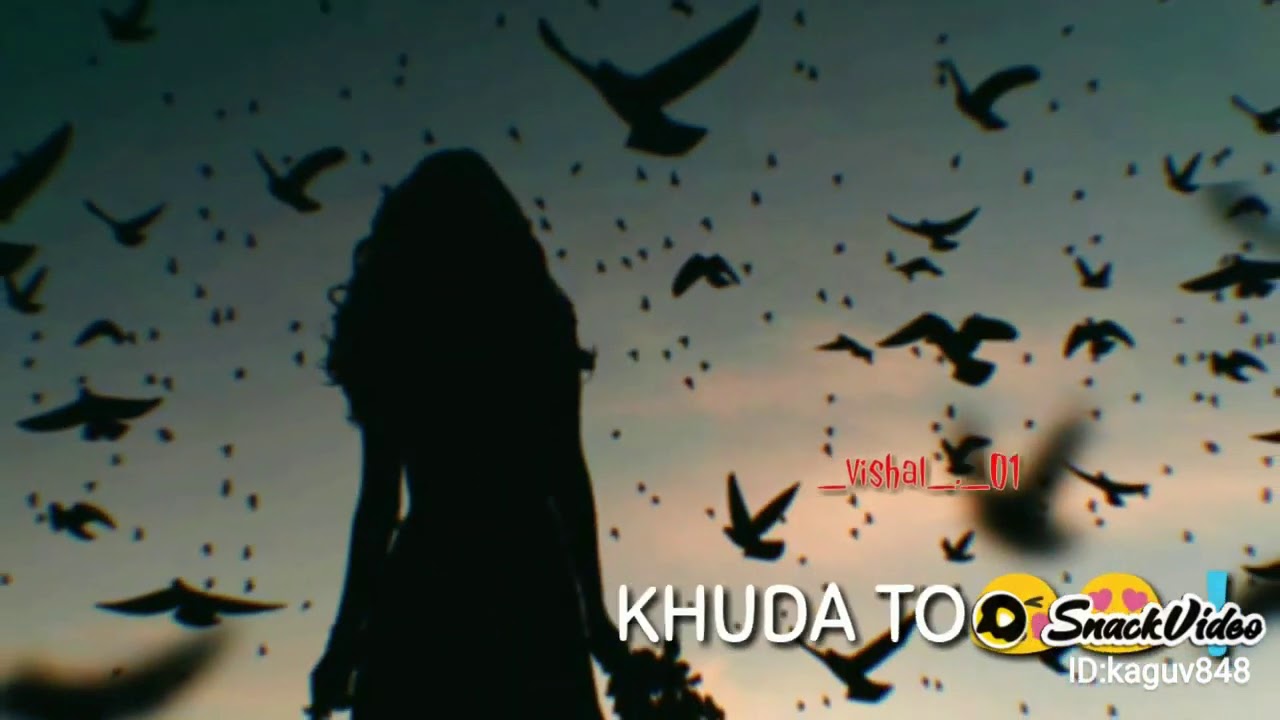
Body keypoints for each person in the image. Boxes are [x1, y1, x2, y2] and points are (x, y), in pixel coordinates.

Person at [308, 149, 628, 719]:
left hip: (430, 579)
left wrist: (344, 637)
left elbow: (379, 502)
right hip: (530, 577)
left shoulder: (397, 331)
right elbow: (567, 478)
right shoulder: (536, 323)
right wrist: (595, 615)